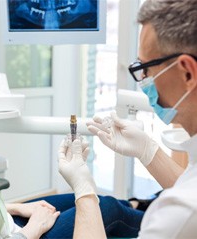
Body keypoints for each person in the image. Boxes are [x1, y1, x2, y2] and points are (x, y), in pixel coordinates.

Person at [0, 23, 143, 239]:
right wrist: (36, 226)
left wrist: (15, 207)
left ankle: (141, 205)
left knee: (100, 201)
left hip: (5, 223)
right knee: (107, 208)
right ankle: (164, 219)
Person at [84, 0, 197, 237]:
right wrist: (147, 150)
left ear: (187, 72)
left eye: (146, 67)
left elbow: (186, 206)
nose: (143, 79)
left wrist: (83, 189)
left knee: (108, 208)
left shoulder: (181, 212)